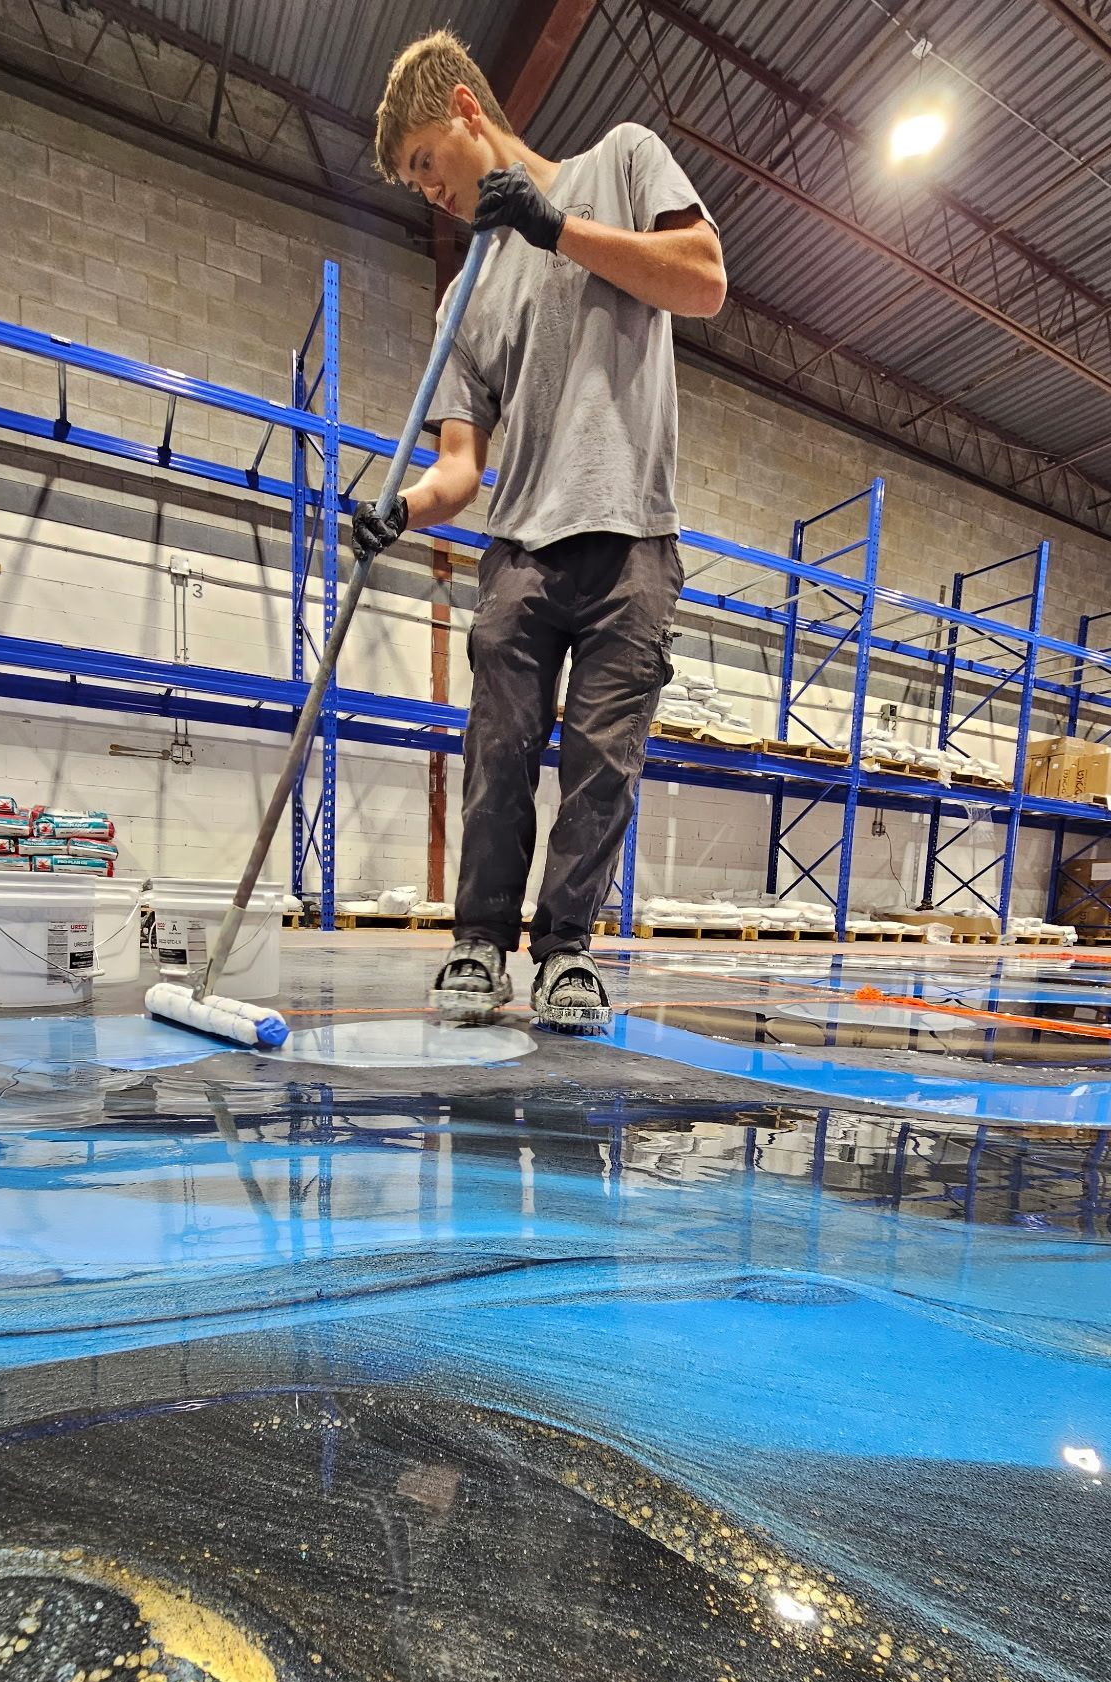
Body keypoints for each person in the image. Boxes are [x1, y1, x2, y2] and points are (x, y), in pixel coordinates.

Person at [357, 31, 727, 1032]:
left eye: (427, 163)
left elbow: (702, 280)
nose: (426, 190)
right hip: (521, 544)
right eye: (413, 181)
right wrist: (403, 507)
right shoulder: (464, 289)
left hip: (632, 537)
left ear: (469, 113)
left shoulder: (623, 161)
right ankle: (479, 945)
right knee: (501, 751)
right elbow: (461, 467)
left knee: (606, 759)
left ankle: (568, 954)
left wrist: (556, 227)